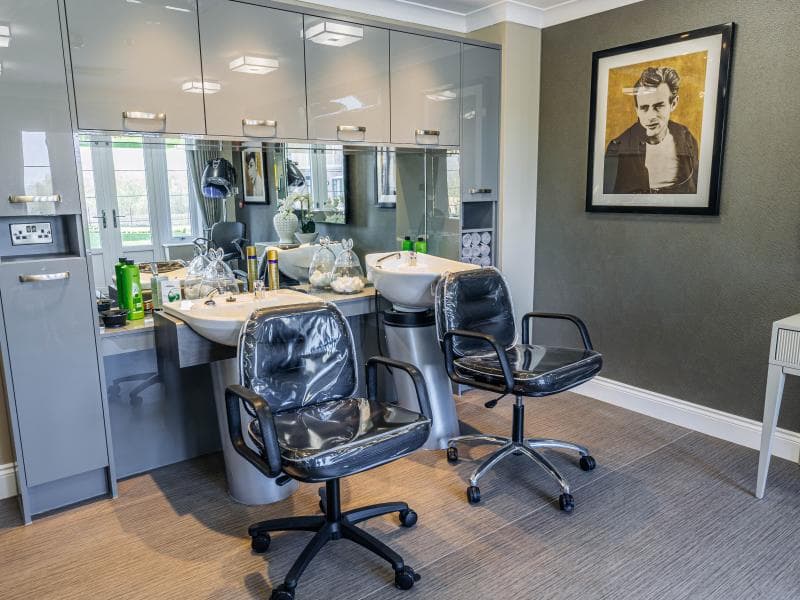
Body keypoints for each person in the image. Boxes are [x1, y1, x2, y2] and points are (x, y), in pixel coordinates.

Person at [604, 66, 699, 194]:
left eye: (658, 106)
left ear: (674, 103)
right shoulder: (619, 146)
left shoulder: (686, 137)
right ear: (636, 110)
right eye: (644, 108)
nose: (651, 116)